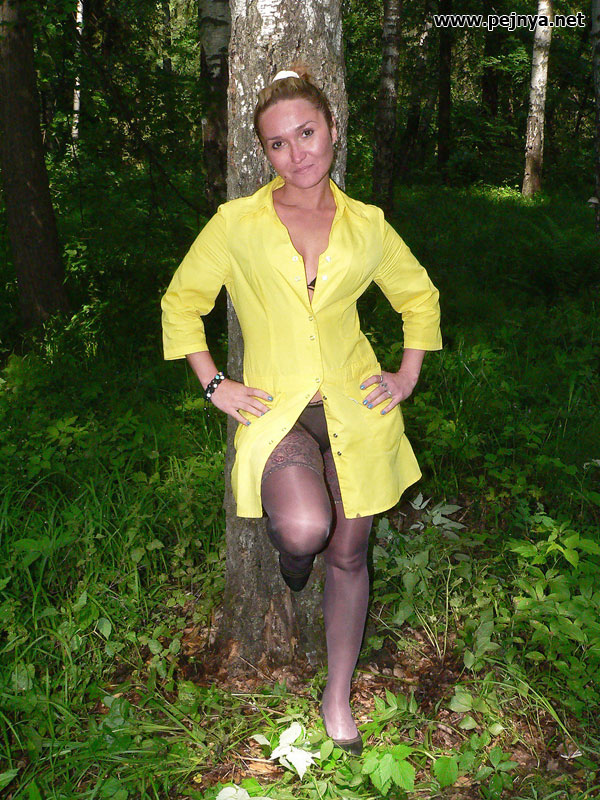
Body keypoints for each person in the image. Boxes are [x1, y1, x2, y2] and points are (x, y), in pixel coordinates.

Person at [161, 66, 442, 756]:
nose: (297, 153)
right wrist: (214, 383)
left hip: (357, 406)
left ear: (333, 130)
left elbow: (419, 297)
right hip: (278, 408)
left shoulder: (367, 226)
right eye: (278, 143)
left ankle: (336, 694)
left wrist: (406, 375)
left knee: (350, 552)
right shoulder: (237, 224)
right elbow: (182, 302)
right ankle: (291, 559)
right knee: (307, 530)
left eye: (307, 133)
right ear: (265, 152)